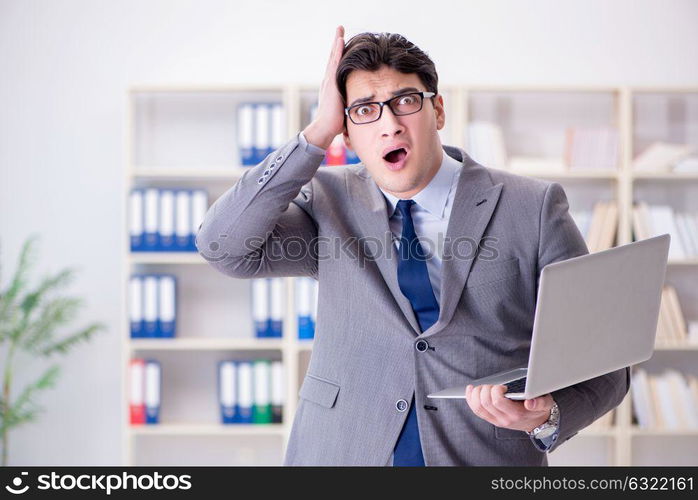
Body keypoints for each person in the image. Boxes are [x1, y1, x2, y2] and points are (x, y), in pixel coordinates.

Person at [195, 26, 629, 466]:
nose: (389, 125)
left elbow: (606, 363)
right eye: (364, 110)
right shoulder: (326, 203)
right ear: (346, 133)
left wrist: (544, 415)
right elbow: (222, 246)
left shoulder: (532, 207)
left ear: (437, 110)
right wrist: (316, 135)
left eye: (405, 101)